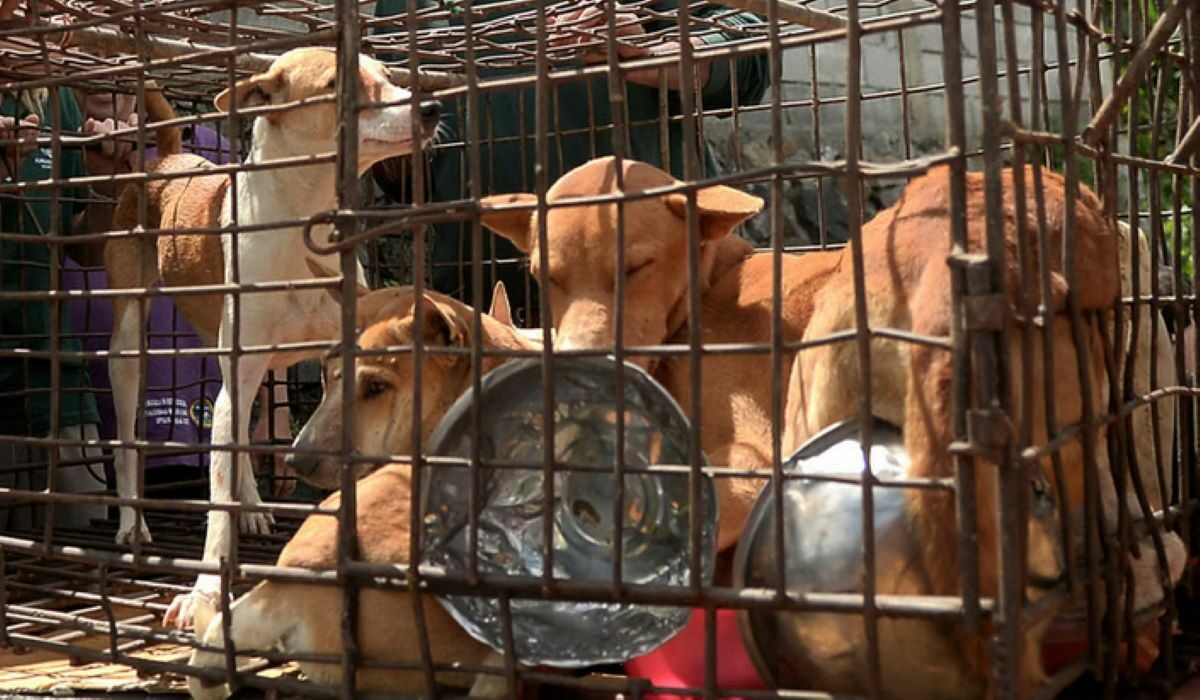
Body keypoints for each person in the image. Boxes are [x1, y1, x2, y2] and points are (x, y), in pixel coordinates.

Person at [370, 0, 769, 323]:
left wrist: (650, 54)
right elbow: (402, 174)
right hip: (486, 307)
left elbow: (749, 45)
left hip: (656, 300)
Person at [62, 77, 295, 503]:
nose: (104, 74)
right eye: (90, 58)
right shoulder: (52, 142)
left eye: (117, 56)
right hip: (93, 422)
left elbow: (261, 281)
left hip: (204, 422)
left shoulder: (214, 152)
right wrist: (103, 184)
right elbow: (79, 250)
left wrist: (276, 409)